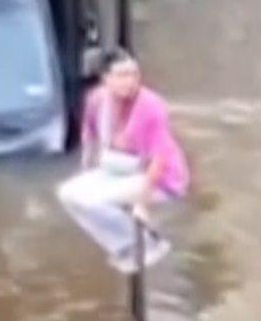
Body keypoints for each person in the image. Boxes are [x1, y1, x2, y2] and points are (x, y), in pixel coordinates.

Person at [56, 48, 190, 274]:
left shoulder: (151, 107)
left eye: (133, 74)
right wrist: (87, 169)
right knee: (68, 194)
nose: (129, 81)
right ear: (106, 79)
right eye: (121, 75)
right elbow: (89, 136)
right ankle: (122, 244)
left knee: (92, 202)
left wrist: (142, 203)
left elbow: (159, 159)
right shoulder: (96, 101)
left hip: (157, 178)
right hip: (117, 168)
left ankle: (147, 244)